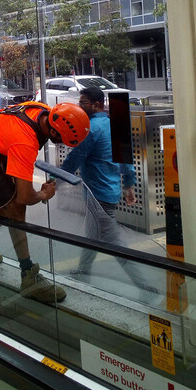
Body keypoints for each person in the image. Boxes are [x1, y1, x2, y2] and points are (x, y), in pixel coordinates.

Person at [0, 101, 90, 304]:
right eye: (62, 141)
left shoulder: (43, 110)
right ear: (55, 134)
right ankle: (28, 275)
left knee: (8, 208)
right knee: (16, 208)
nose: (61, 145)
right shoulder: (25, 142)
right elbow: (26, 196)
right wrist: (44, 194)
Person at [60, 86, 151, 291]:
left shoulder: (90, 129)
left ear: (97, 104)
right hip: (110, 191)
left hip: (98, 196)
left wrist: (53, 180)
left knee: (115, 243)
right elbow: (126, 160)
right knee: (92, 235)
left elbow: (74, 159)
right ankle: (83, 271)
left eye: (83, 103)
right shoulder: (113, 125)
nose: (79, 106)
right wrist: (129, 186)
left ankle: (144, 286)